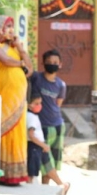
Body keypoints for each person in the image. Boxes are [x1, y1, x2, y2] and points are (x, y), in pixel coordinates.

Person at [0, 15, 33, 185]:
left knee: (17, 132)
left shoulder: (13, 47)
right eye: (7, 25)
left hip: (18, 97)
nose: (10, 29)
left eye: (12, 26)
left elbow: (30, 70)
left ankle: (15, 174)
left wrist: (20, 48)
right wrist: (22, 64)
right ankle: (1, 172)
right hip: (1, 91)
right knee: (2, 129)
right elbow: (5, 61)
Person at [29, 49, 67, 185]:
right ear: (43, 63)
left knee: (52, 162)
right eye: (49, 62)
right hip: (41, 127)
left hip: (57, 126)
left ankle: (47, 189)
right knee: (45, 161)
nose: (52, 64)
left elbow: (58, 104)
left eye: (55, 62)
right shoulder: (36, 78)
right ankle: (61, 185)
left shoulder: (61, 85)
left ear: (60, 64)